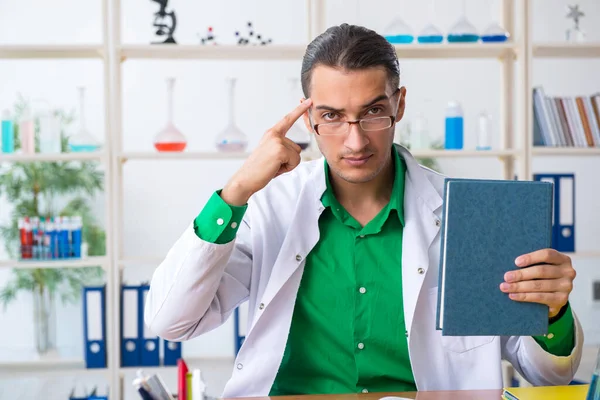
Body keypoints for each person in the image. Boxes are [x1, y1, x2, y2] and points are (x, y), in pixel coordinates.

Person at [145, 23, 583, 397]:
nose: (355, 142)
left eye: (373, 112)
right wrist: (236, 190)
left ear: (399, 105)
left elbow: (548, 374)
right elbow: (171, 322)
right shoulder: (268, 207)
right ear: (307, 118)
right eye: (332, 117)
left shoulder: (470, 215)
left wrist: (554, 311)